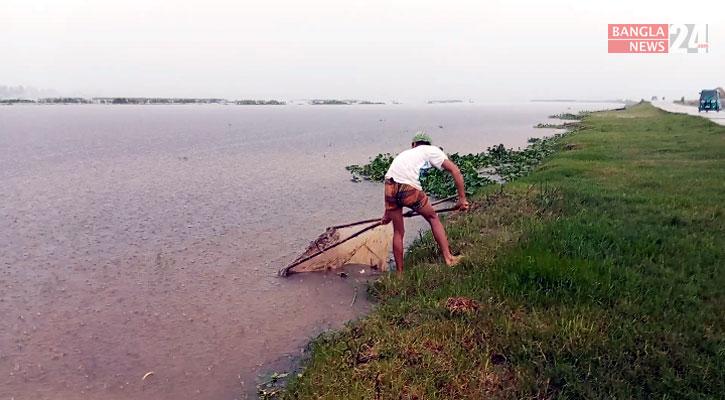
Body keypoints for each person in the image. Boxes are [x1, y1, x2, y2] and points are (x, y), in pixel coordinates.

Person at [381, 131, 469, 275]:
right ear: (428, 144)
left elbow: (394, 177)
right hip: (408, 187)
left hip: (390, 186)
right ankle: (449, 258)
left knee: (398, 232)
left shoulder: (405, 154)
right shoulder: (432, 150)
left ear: (414, 144)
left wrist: (387, 213)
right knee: (433, 218)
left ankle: (400, 274)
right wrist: (462, 199)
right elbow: (455, 171)